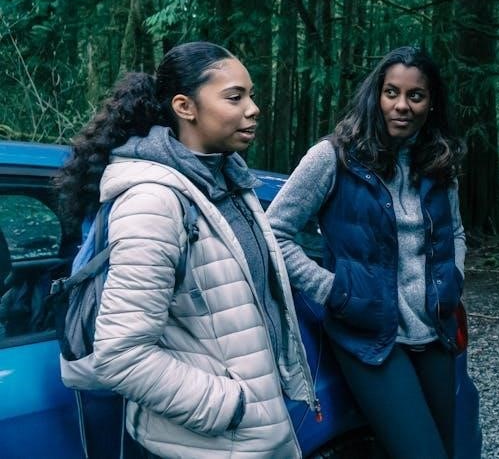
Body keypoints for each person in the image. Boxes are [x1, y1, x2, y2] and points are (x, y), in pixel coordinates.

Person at [55, 42, 316, 458]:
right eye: (235, 97)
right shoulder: (153, 202)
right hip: (202, 443)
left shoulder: (226, 181)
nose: (253, 109)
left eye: (251, 95)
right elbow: (120, 356)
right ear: (185, 106)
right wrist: (233, 407)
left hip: (249, 438)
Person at [268, 46, 467, 459]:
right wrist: (333, 290)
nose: (402, 105)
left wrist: (454, 279)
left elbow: (457, 232)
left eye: (415, 95)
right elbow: (274, 232)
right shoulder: (335, 157)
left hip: (434, 332)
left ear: (431, 103)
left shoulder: (439, 163)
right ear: (376, 95)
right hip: (369, 334)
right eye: (392, 92)